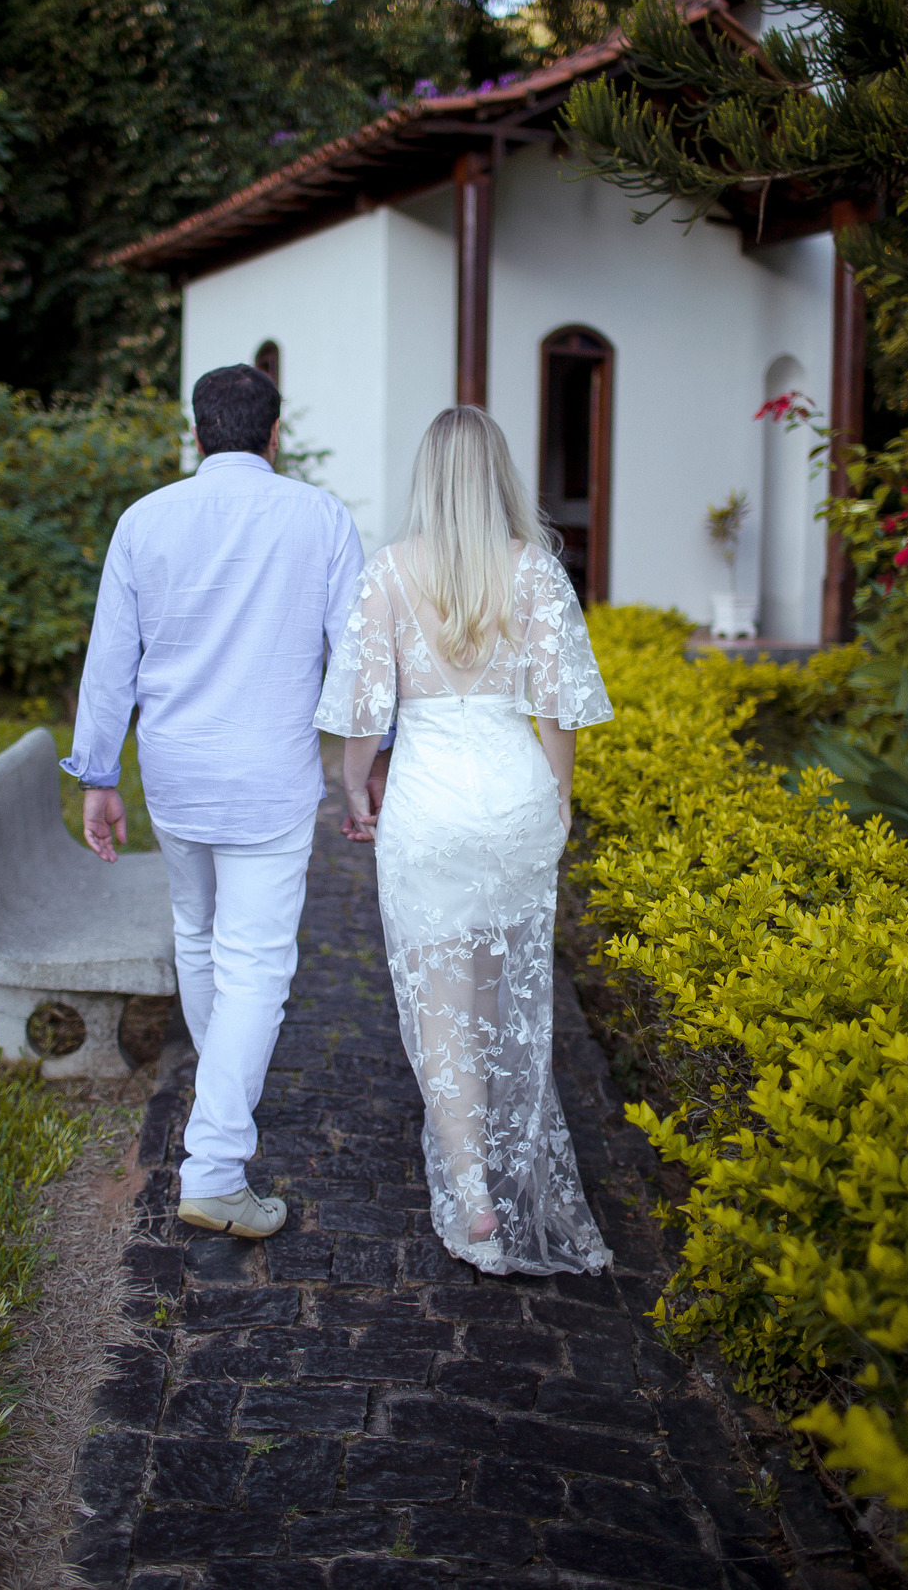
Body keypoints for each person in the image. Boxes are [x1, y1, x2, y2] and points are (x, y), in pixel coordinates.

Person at [63, 363, 366, 1240]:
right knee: (258, 966)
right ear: (277, 434)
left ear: (198, 434)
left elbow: (109, 657)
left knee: (200, 934)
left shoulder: (145, 520)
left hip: (177, 775)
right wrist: (362, 766)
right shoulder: (321, 518)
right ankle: (217, 1164)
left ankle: (217, 1098)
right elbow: (353, 664)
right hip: (269, 777)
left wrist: (97, 777)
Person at [315, 406, 614, 1274]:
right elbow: (557, 708)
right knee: (500, 985)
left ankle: (475, 1191)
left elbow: (364, 716)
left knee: (442, 992)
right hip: (512, 792)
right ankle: (500, 1161)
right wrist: (559, 795)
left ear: (428, 479)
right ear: (499, 478)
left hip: (431, 803)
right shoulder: (536, 574)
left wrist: (353, 783)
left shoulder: (389, 574)